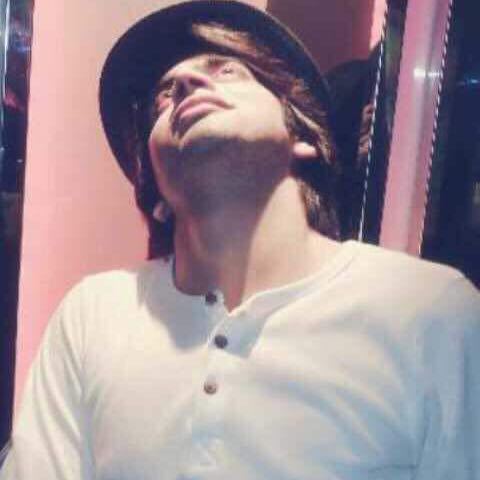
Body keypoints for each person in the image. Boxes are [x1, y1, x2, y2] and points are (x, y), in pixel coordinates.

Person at [2, 1, 480, 479]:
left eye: (228, 70)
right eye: (163, 97)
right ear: (155, 191)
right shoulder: (93, 315)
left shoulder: (431, 312)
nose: (186, 83)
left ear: (302, 134)